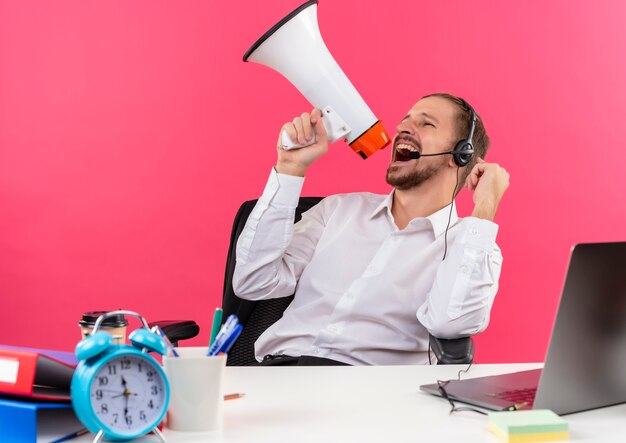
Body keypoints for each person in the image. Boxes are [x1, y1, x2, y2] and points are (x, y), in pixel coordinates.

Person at [233, 93, 510, 366]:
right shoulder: (338, 210)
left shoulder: (468, 246)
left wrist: (485, 206)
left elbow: (451, 323)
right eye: (405, 120)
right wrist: (289, 167)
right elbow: (253, 280)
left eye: (426, 124)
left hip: (368, 395)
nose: (402, 128)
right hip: (279, 375)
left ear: (461, 155)